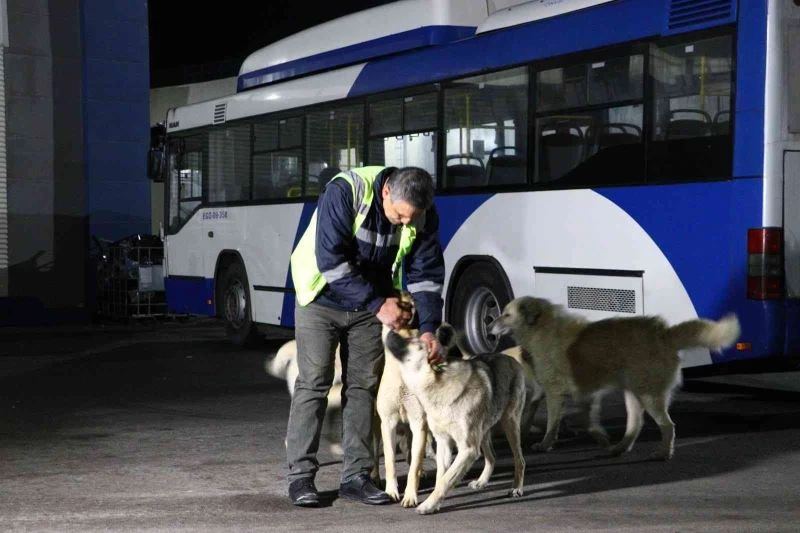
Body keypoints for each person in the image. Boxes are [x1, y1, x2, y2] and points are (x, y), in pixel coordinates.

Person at [285, 166, 446, 507]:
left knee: (363, 385)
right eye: (400, 216)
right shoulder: (346, 191)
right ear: (386, 191)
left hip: (370, 306)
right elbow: (331, 261)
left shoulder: (421, 214)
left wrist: (430, 327)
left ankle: (356, 476)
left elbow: (426, 274)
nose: (404, 224)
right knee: (314, 382)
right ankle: (300, 477)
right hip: (320, 299)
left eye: (411, 219)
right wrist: (378, 304)